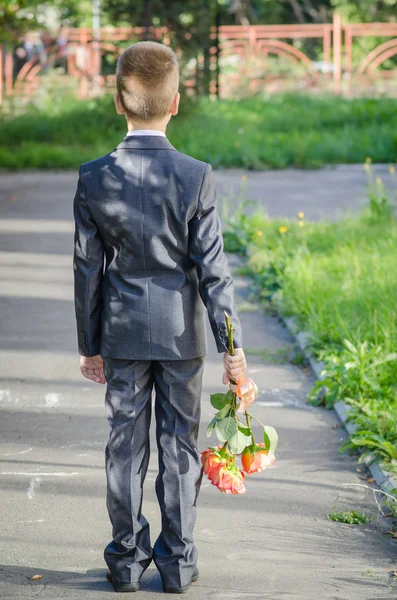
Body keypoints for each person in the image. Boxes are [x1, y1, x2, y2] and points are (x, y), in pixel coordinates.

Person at [73, 41, 257, 594]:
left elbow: (88, 269)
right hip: (182, 338)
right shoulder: (195, 175)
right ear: (175, 102)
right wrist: (233, 348)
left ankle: (125, 563)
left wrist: (90, 344)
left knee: (124, 446)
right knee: (179, 446)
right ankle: (176, 563)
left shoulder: (94, 177)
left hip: (123, 335)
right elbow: (213, 271)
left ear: (117, 102)